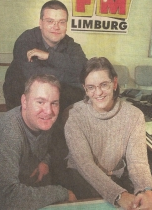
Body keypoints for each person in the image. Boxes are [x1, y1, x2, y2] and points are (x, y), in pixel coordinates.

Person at [63, 57, 152, 210]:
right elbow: (85, 165)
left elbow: (137, 163)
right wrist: (119, 195)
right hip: (79, 180)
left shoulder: (134, 115)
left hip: (115, 180)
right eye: (91, 87)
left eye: (104, 85)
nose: (98, 92)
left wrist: (146, 190)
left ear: (115, 83)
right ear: (85, 88)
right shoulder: (73, 114)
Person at [0, 74, 76, 210]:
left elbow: (52, 146)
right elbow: (6, 198)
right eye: (40, 102)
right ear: (24, 102)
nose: (48, 111)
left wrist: (45, 161)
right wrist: (62, 193)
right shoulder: (7, 133)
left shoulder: (44, 120)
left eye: (54, 103)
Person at [3, 0, 87, 111]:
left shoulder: (72, 45)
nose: (56, 27)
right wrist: (72, 76)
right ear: (40, 23)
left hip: (56, 105)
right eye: (50, 21)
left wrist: (49, 56)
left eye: (61, 22)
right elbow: (35, 78)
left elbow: (85, 71)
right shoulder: (25, 40)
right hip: (22, 104)